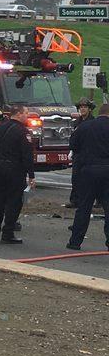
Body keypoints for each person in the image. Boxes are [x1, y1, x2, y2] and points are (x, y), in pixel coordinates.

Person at [0, 105, 35, 244]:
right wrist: (31, 175)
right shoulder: (23, 132)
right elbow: (27, 155)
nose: (27, 115)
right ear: (18, 114)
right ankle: (8, 233)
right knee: (14, 201)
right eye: (26, 113)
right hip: (15, 169)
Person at [67, 103, 109, 250]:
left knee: (84, 207)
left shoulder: (85, 126)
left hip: (88, 170)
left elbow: (73, 144)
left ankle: (75, 242)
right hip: (107, 170)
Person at [66, 97, 96, 209]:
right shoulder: (77, 122)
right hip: (78, 154)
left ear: (89, 109)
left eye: (85, 107)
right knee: (76, 177)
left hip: (89, 153)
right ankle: (75, 200)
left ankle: (92, 200)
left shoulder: (93, 122)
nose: (82, 109)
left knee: (89, 178)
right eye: (81, 107)